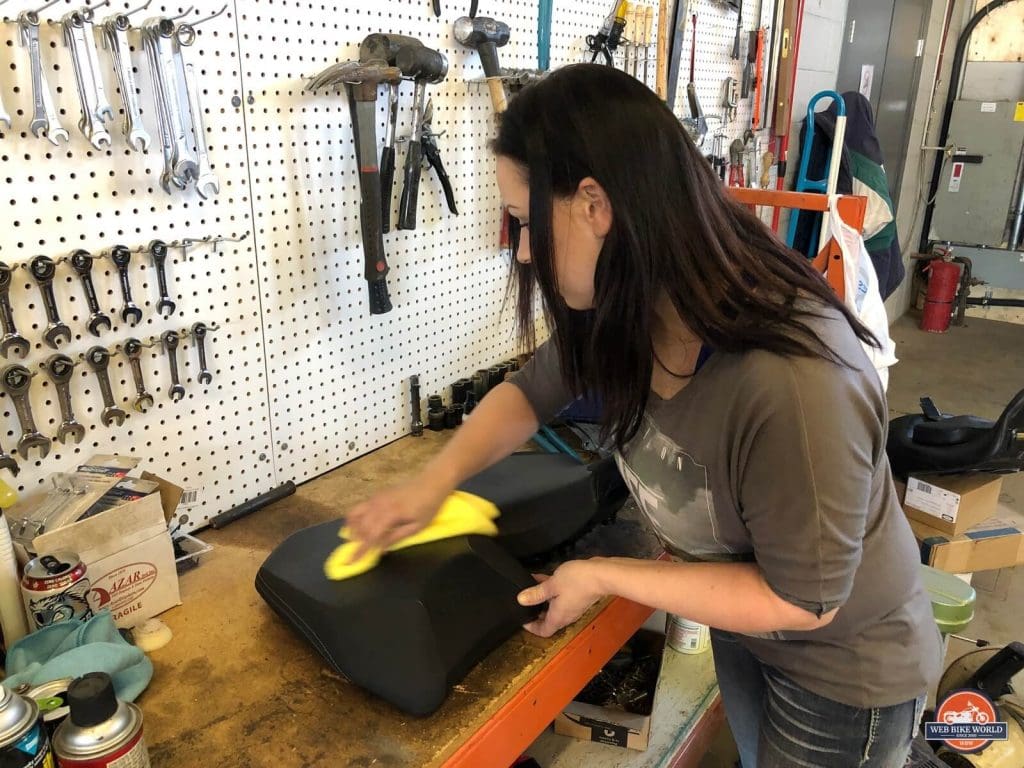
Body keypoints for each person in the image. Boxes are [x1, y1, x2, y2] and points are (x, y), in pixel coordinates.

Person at [346, 64, 942, 768]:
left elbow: (804, 601)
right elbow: (532, 392)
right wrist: (430, 484)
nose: (526, 250)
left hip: (844, 670)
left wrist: (602, 575)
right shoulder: (631, 304)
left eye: (531, 222)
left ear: (595, 206)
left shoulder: (791, 383)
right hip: (748, 625)